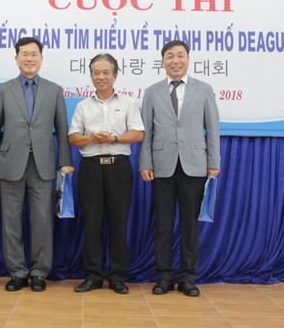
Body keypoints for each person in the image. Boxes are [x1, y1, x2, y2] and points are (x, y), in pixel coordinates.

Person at [0, 36, 73, 292]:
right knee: (11, 220)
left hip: (43, 164)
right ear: (16, 58)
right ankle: (18, 272)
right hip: (10, 162)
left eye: (34, 54)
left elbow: (62, 129)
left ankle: (39, 272)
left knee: (42, 220)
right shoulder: (3, 90)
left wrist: (65, 162)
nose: (29, 59)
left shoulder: (54, 90)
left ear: (41, 59)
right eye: (24, 54)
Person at [139, 40, 220, 297]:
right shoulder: (152, 92)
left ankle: (187, 278)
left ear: (188, 59)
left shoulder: (204, 89)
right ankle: (163, 277)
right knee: (163, 224)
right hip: (162, 166)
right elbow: (146, 132)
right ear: (163, 60)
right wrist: (145, 162)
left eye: (180, 56)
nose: (176, 60)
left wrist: (214, 163)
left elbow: (213, 129)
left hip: (194, 165)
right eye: (170, 56)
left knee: (189, 225)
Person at [68, 54, 144, 295]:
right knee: (91, 222)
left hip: (119, 167)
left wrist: (113, 138)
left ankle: (118, 276)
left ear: (115, 75)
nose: (101, 77)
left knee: (118, 222)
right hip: (90, 168)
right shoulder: (83, 105)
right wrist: (90, 137)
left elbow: (138, 134)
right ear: (91, 76)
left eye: (105, 72)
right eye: (96, 73)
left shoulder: (129, 103)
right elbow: (72, 138)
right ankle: (93, 276)